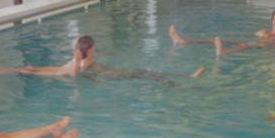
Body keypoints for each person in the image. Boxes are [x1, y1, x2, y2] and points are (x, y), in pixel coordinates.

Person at [29, 36, 205, 84]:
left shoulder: (79, 61)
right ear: (89, 51)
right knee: (150, 74)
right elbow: (86, 75)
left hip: (113, 75)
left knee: (149, 74)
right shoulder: (85, 65)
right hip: (116, 75)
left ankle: (185, 79)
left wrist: (37, 69)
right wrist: (97, 81)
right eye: (95, 49)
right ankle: (186, 79)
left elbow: (62, 68)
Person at [169, 8, 275, 56]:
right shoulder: (264, 31)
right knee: (220, 40)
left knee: (243, 45)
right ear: (272, 20)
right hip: (254, 42)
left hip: (264, 47)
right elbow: (249, 35)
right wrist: (236, 35)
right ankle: (183, 41)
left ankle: (223, 52)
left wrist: (274, 47)